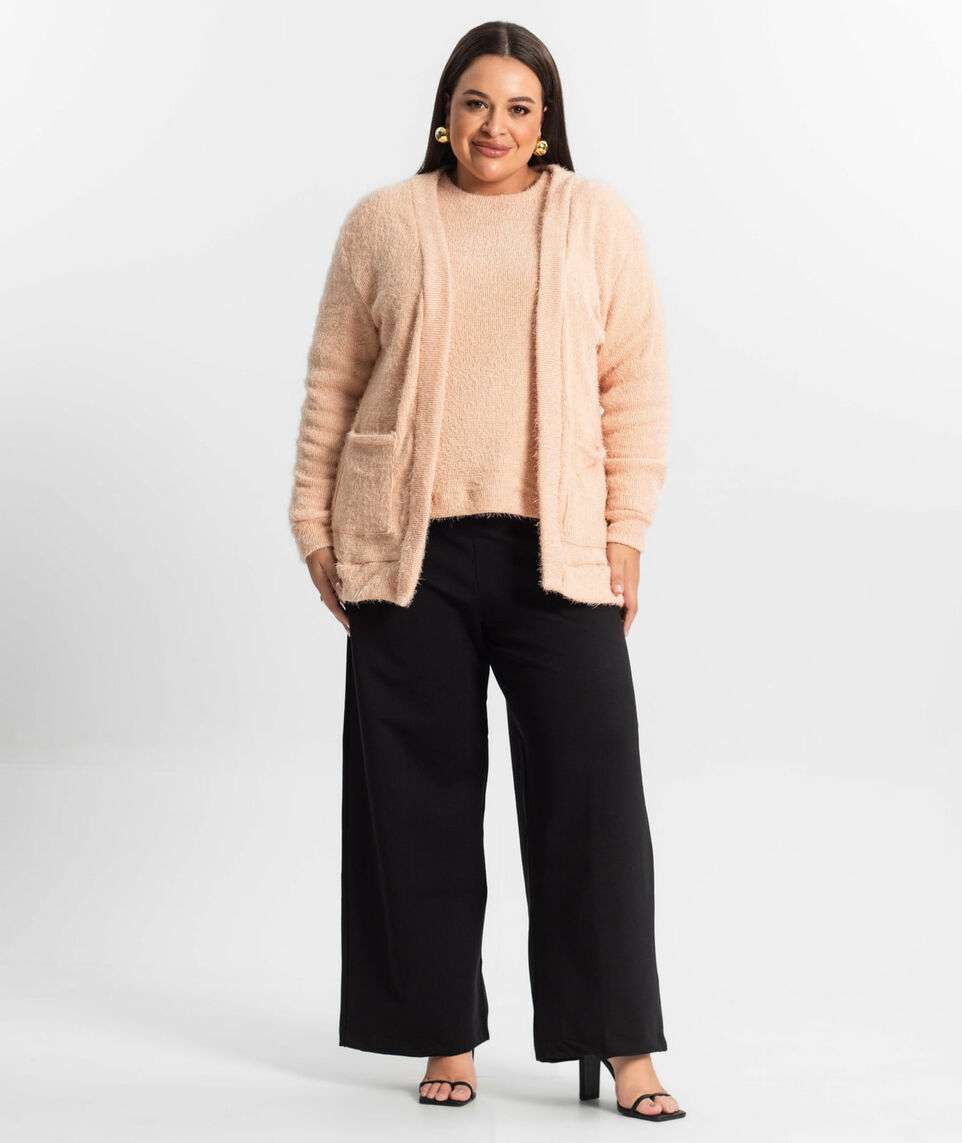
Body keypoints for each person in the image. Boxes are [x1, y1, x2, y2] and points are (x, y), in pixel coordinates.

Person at [288, 20, 685, 1123]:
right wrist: (314, 526)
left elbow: (634, 384)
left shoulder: (594, 220)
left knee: (593, 805)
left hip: (556, 552)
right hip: (408, 552)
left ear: (544, 122)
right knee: (413, 807)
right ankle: (443, 1034)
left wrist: (626, 531)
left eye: (517, 107)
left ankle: (624, 1045)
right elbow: (333, 382)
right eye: (475, 103)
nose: (494, 126)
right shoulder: (385, 222)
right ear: (444, 115)